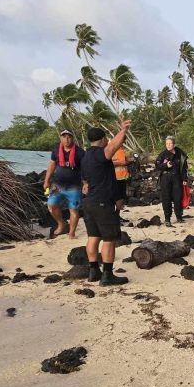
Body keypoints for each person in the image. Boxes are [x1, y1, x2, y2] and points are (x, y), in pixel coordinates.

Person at [81, 120, 132, 286]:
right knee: (109, 239)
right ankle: (108, 275)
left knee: (93, 237)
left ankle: (93, 271)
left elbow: (86, 181)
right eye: (106, 140)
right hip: (102, 202)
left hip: (88, 203)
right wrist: (123, 130)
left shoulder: (86, 156)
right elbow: (112, 148)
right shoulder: (99, 153)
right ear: (102, 140)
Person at [43, 129, 85, 238]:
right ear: (60, 138)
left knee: (74, 210)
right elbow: (51, 165)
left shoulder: (80, 152)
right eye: (64, 136)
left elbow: (86, 169)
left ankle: (72, 232)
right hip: (57, 185)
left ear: (72, 138)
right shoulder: (56, 150)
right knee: (51, 206)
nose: (67, 139)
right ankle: (61, 223)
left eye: (69, 137)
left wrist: (86, 183)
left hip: (74, 187)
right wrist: (46, 180)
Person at [154, 136, 188, 226]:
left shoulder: (180, 153)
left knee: (178, 198)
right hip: (165, 178)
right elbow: (157, 165)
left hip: (177, 178)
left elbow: (184, 167)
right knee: (166, 198)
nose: (168, 145)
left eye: (170, 143)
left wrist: (185, 179)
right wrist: (165, 165)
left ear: (174, 144)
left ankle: (179, 216)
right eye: (167, 144)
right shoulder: (163, 154)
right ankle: (167, 219)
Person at [112, 145, 133, 211]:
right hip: (118, 177)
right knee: (119, 197)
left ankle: (117, 215)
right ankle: (116, 216)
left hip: (120, 177)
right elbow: (123, 162)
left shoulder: (113, 152)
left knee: (120, 196)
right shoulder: (119, 151)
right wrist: (131, 161)